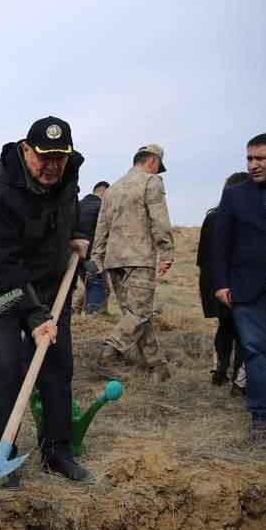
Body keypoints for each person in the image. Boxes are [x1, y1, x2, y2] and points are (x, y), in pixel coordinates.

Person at [0, 116, 93, 487]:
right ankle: (1, 453)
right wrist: (35, 314)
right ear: (26, 151)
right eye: (44, 157)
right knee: (7, 367)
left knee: (57, 366)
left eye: (60, 157)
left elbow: (68, 216)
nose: (52, 166)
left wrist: (77, 235)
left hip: (51, 283)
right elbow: (4, 261)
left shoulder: (67, 177)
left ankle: (57, 450)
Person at [211, 132, 266, 439]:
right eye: (249, 159)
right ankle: (264, 420)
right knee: (256, 353)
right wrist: (221, 283)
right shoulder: (235, 195)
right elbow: (220, 245)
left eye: (261, 158)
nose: (253, 165)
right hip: (250, 292)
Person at [93, 144, 175, 381]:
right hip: (139, 258)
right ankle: (108, 355)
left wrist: (98, 256)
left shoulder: (113, 188)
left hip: (114, 260)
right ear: (153, 162)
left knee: (137, 315)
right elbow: (159, 219)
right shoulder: (152, 182)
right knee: (138, 314)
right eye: (158, 166)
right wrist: (166, 251)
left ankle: (158, 367)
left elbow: (102, 225)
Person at [199, 172, 250, 392]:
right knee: (245, 332)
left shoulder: (212, 217)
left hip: (214, 283)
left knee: (225, 326)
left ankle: (219, 371)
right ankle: (240, 381)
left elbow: (201, 257)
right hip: (241, 282)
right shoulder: (249, 218)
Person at [72, 181, 110, 314]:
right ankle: (94, 314)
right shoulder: (101, 207)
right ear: (104, 192)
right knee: (97, 284)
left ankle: (75, 312)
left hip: (74, 254)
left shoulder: (79, 205)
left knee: (82, 285)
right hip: (91, 255)